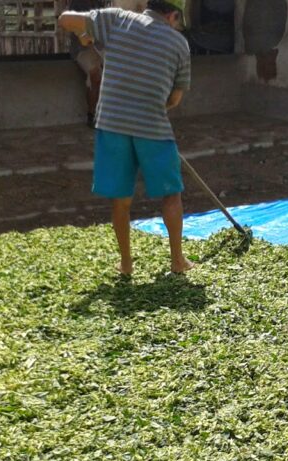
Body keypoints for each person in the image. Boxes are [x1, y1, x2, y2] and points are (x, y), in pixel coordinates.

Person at [59, 0, 193, 275]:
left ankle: (126, 264)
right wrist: (154, 108)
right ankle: (178, 261)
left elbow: (65, 19)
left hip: (112, 126)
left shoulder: (117, 20)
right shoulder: (179, 44)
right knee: (171, 194)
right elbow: (175, 98)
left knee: (121, 197)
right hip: (153, 128)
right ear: (173, 15)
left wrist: (84, 33)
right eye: (178, 21)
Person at [67, 0, 104, 128]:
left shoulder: (100, 4)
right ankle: (92, 114)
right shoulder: (77, 4)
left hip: (100, 47)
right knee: (95, 74)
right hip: (83, 48)